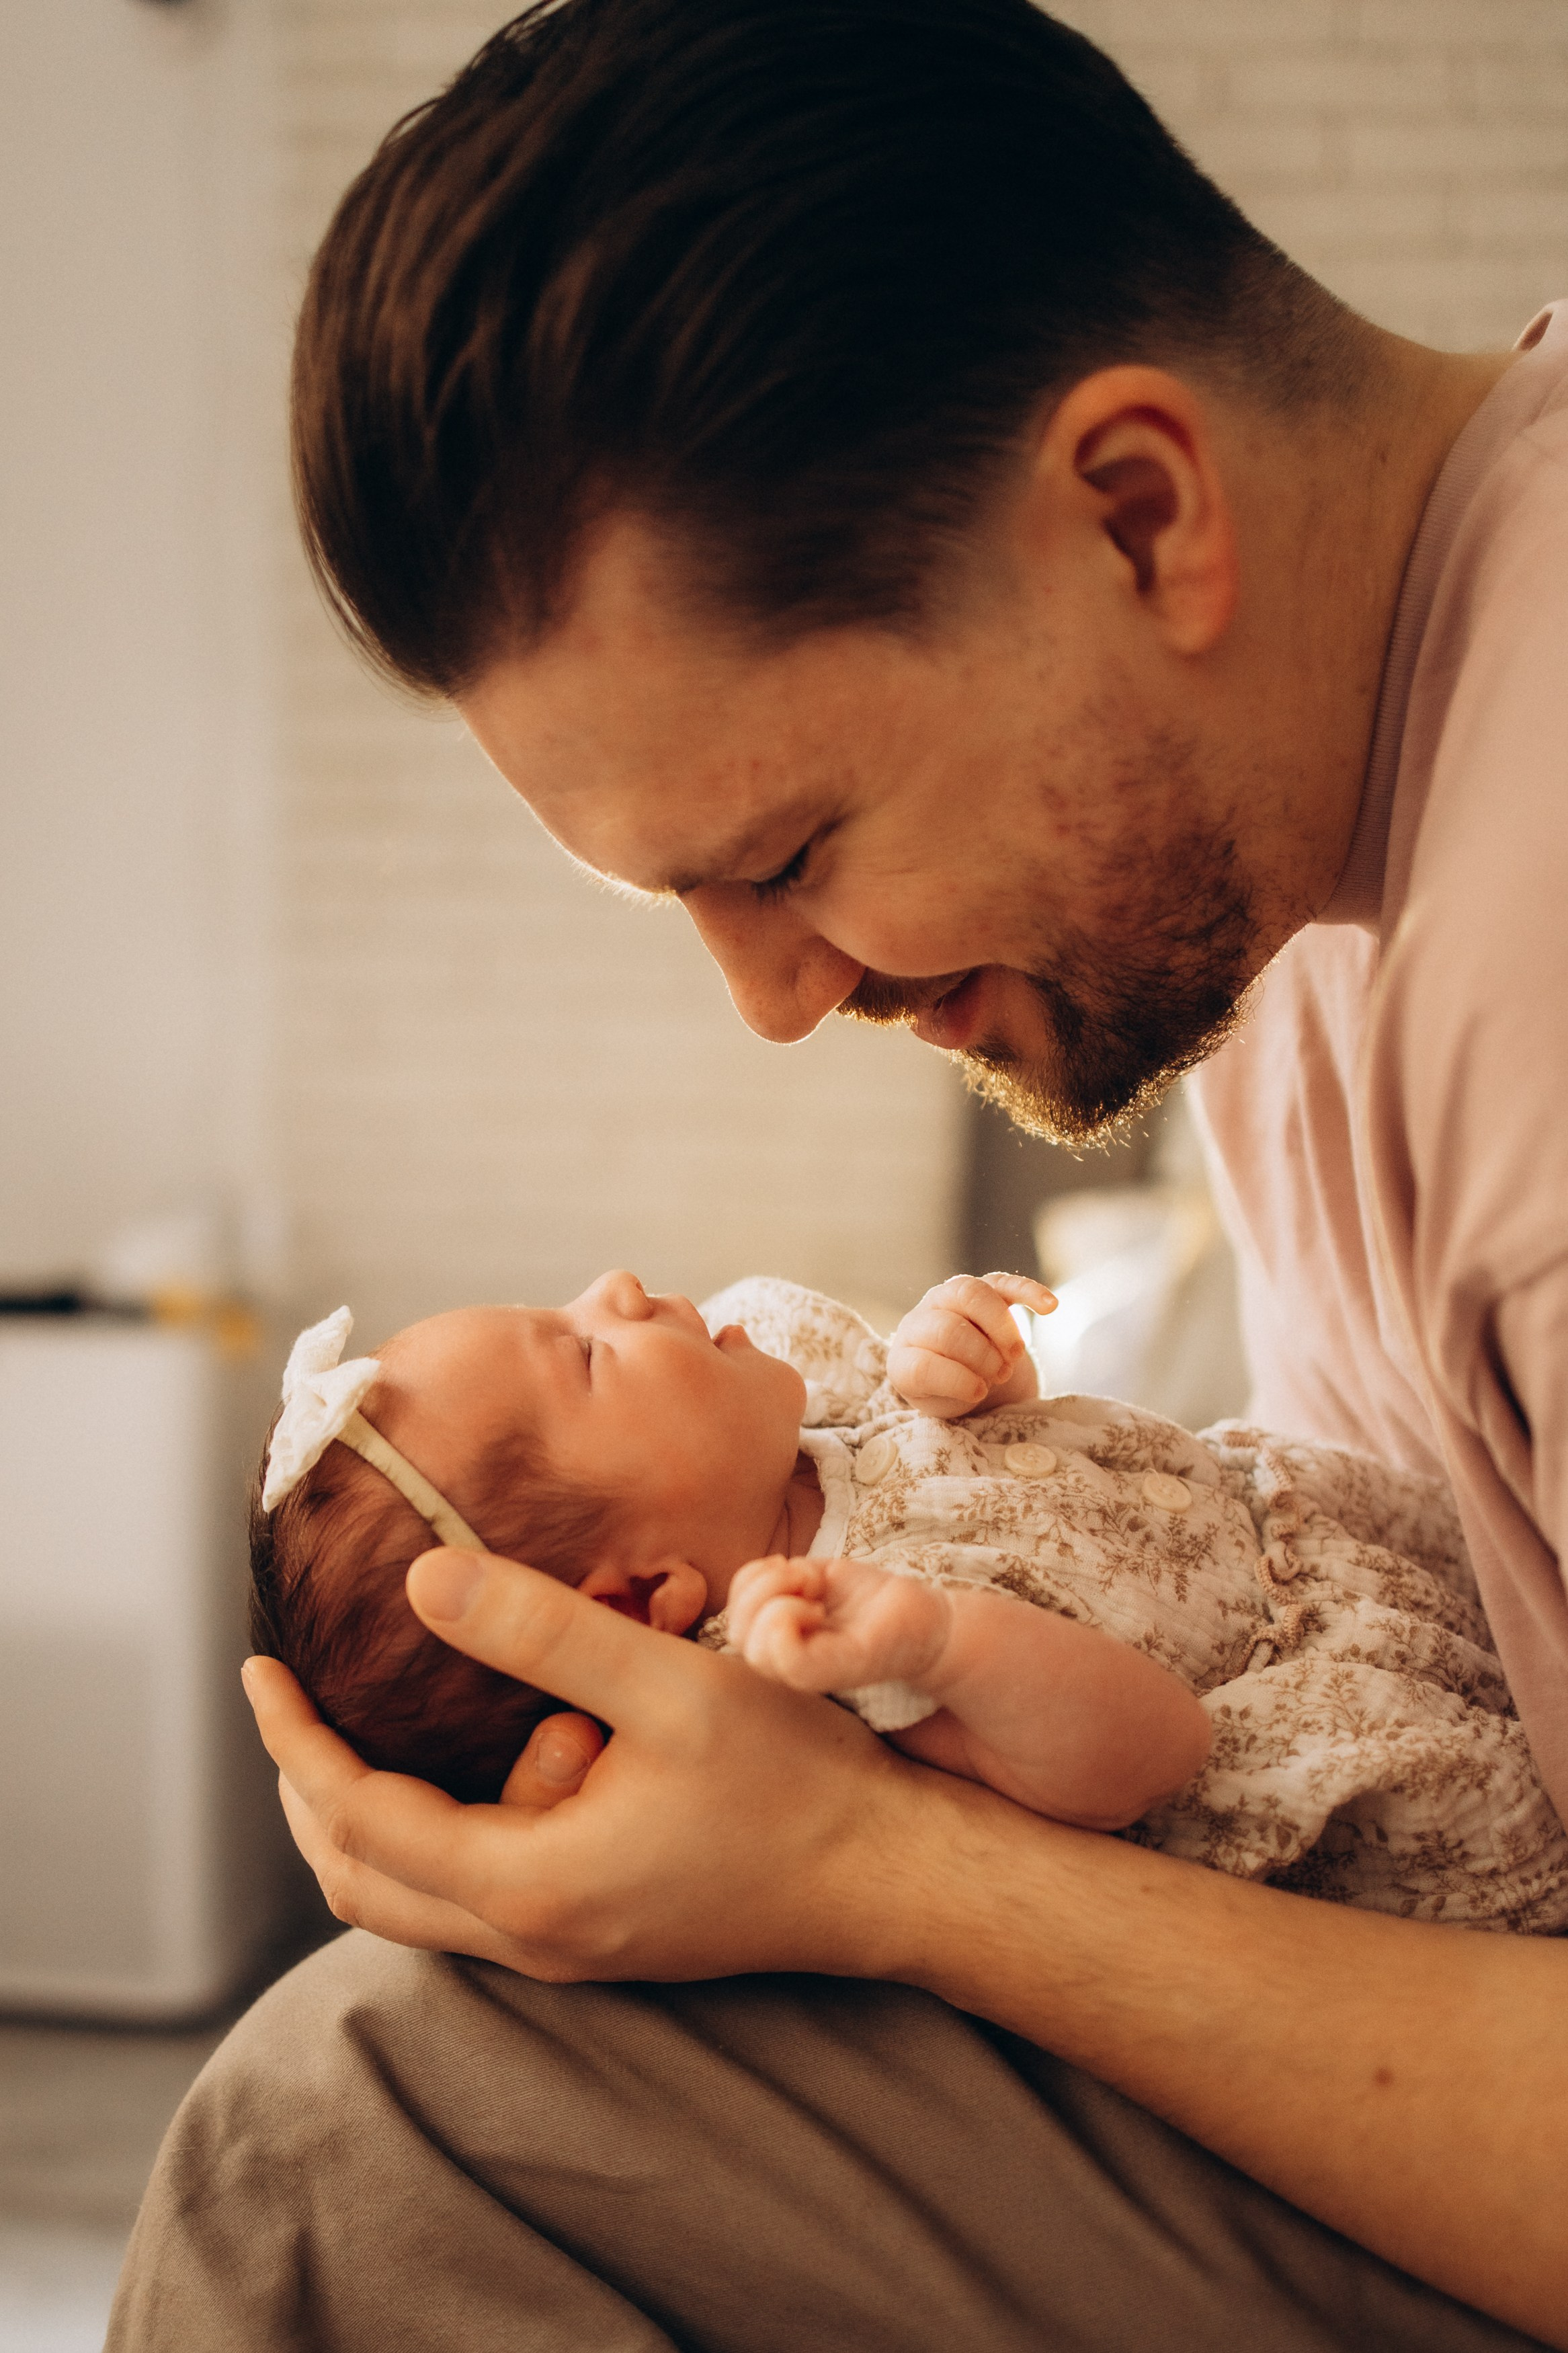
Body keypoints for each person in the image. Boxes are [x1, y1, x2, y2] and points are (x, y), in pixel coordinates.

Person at [108, 1, 1568, 2346]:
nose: (774, 1004)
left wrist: (877, 1873)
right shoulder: (1314, 834)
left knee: (360, 2120)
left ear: (1136, 517)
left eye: (786, 853)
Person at [250, 1274, 1564, 1931]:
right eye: (589, 1353)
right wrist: (944, 1644)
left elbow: (1028, 1486)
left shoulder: (811, 1424)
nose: (621, 1290)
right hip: (1365, 1723)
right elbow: (1151, 1753)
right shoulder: (827, 1673)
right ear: (647, 1593)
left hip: (1347, 1535)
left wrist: (975, 1371)